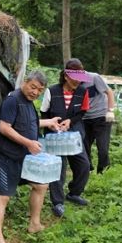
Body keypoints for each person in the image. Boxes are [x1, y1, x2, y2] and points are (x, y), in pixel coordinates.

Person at [0, 71, 61, 243]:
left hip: (23, 157)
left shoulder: (29, 103)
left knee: (41, 184)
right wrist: (29, 143)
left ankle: (34, 224)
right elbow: (4, 128)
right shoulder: (13, 100)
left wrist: (49, 122)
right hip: (5, 156)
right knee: (3, 195)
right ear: (25, 82)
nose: (35, 92)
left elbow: (30, 123)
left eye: (40, 90)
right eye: (33, 87)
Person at [40, 61, 92, 217]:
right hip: (55, 133)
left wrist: (70, 121)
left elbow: (82, 112)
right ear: (66, 76)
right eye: (75, 77)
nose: (78, 81)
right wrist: (51, 125)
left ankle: (74, 192)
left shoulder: (83, 91)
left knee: (83, 164)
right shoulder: (52, 91)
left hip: (73, 132)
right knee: (58, 167)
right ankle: (58, 202)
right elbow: (44, 113)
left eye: (80, 77)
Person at [78, 59, 116, 173]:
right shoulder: (72, 83)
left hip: (101, 117)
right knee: (84, 146)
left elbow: (109, 92)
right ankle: (87, 170)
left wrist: (110, 110)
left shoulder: (93, 77)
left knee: (102, 147)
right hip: (84, 118)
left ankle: (103, 171)